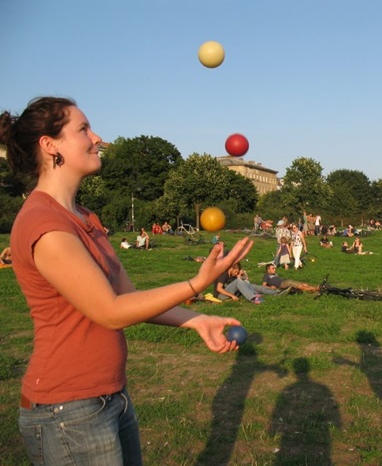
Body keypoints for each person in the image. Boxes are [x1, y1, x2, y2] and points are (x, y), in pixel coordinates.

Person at [1, 96, 253, 465]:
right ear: (50, 145)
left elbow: (128, 297)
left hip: (109, 397)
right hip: (65, 410)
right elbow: (110, 312)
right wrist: (197, 284)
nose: (97, 137)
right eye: (83, 129)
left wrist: (198, 320)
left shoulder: (85, 217)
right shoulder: (44, 222)